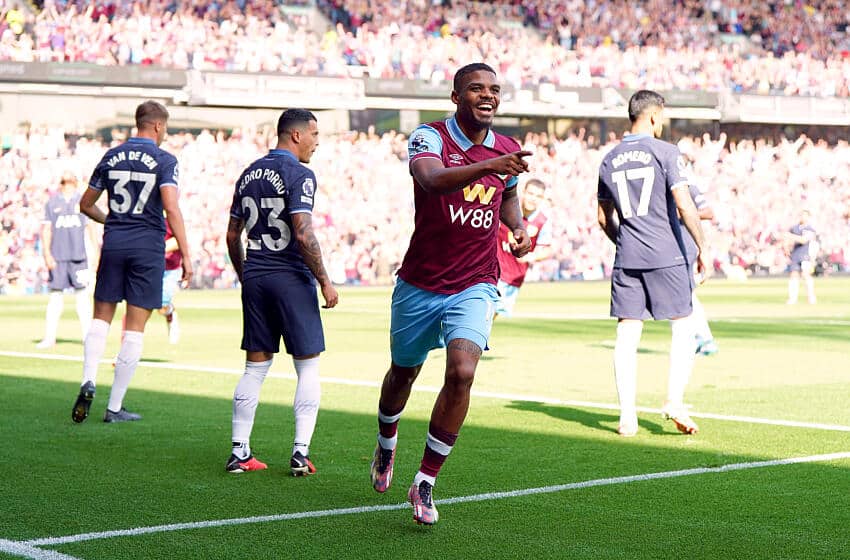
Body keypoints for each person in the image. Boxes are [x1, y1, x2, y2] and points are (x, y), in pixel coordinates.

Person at [368, 63, 532, 525]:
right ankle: (386, 442)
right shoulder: (429, 137)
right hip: (419, 283)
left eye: (495, 89)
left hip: (475, 282)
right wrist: (490, 166)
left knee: (462, 371)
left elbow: (509, 197)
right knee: (403, 373)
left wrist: (517, 228)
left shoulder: (507, 149)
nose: (488, 95)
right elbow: (431, 180)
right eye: (477, 88)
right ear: (456, 96)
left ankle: (425, 481)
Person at [224, 108, 338, 476]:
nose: (316, 144)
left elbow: (231, 235)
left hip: (256, 272)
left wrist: (247, 275)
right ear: (295, 136)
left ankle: (239, 453)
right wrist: (324, 280)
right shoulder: (300, 173)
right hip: (290, 276)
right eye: (314, 135)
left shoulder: (248, 174)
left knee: (254, 367)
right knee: (307, 365)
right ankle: (300, 453)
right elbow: (303, 233)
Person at [596, 90, 708, 438]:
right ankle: (674, 400)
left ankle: (626, 417)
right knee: (684, 325)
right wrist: (703, 248)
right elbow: (686, 205)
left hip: (628, 256)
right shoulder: (666, 152)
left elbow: (603, 218)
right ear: (655, 116)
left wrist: (624, 241)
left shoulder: (609, 158)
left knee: (627, 332)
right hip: (667, 254)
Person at [72, 100, 192, 424]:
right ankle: (114, 407)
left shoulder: (111, 156)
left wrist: (110, 219)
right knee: (135, 329)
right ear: (157, 126)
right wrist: (187, 253)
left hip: (115, 243)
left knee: (101, 319)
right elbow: (171, 207)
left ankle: (88, 379)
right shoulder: (165, 159)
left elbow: (85, 204)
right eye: (164, 128)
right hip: (147, 248)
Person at [37, 171, 97, 349]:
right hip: (59, 257)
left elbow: (91, 228)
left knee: (82, 298)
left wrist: (96, 253)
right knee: (55, 297)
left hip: (78, 257)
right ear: (62, 184)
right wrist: (47, 254)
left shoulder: (83, 201)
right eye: (65, 182)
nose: (68, 185)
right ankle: (50, 337)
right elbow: (46, 230)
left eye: (70, 181)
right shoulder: (52, 203)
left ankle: (88, 337)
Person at [495, 178, 553, 317]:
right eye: (531, 194)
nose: (533, 199)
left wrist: (531, 256)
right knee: (484, 313)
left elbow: (548, 249)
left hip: (514, 278)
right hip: (494, 272)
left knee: (492, 316)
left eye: (538, 196)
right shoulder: (506, 210)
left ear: (542, 199)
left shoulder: (542, 222)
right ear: (523, 192)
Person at [680, 182, 718, 356]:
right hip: (673, 247)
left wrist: (682, 214)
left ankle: (703, 338)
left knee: (686, 294)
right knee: (684, 294)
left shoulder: (688, 188)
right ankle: (699, 337)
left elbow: (709, 213)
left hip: (684, 246)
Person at [785, 210, 817, 305]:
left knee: (805, 275)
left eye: (805, 215)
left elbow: (804, 240)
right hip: (795, 254)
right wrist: (786, 246)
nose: (802, 217)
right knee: (793, 275)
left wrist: (790, 236)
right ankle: (792, 298)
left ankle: (811, 297)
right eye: (801, 215)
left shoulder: (810, 229)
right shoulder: (794, 228)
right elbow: (787, 239)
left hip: (805, 254)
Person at [160, 220, 182, 344]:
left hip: (170, 267)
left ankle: (171, 313)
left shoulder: (171, 215)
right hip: (152, 265)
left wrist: (157, 248)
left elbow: (178, 240)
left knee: (162, 303)